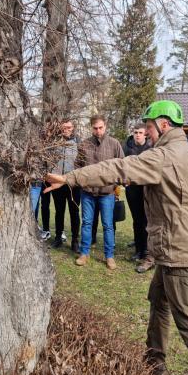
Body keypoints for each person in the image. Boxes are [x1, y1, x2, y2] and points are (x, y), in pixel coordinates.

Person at [44, 100, 188, 375]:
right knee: (158, 300)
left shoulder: (163, 156)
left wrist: (70, 177)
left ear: (164, 125)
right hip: (183, 247)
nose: (147, 133)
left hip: (179, 252)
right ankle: (155, 364)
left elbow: (117, 168)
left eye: (150, 128)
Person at [74, 114, 124, 270]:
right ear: (91, 128)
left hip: (107, 193)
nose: (98, 131)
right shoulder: (84, 145)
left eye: (100, 127)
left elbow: (122, 165)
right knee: (87, 223)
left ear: (105, 126)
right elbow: (77, 167)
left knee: (108, 225)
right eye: (95, 128)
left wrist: (115, 185)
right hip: (87, 192)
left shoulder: (114, 144)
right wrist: (82, 183)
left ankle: (109, 256)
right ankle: (84, 253)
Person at [123, 123, 154, 273]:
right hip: (132, 189)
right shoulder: (127, 147)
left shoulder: (151, 148)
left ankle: (148, 253)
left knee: (147, 221)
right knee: (137, 220)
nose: (138, 135)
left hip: (147, 190)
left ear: (145, 134)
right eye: (135, 132)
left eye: (141, 132)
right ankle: (138, 250)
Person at [50, 120, 81, 251]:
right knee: (59, 211)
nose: (66, 129)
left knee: (74, 212)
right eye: (63, 127)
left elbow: (82, 162)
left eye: (69, 127)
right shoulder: (54, 142)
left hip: (73, 183)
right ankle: (58, 237)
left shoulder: (79, 143)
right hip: (57, 182)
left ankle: (75, 240)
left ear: (73, 128)